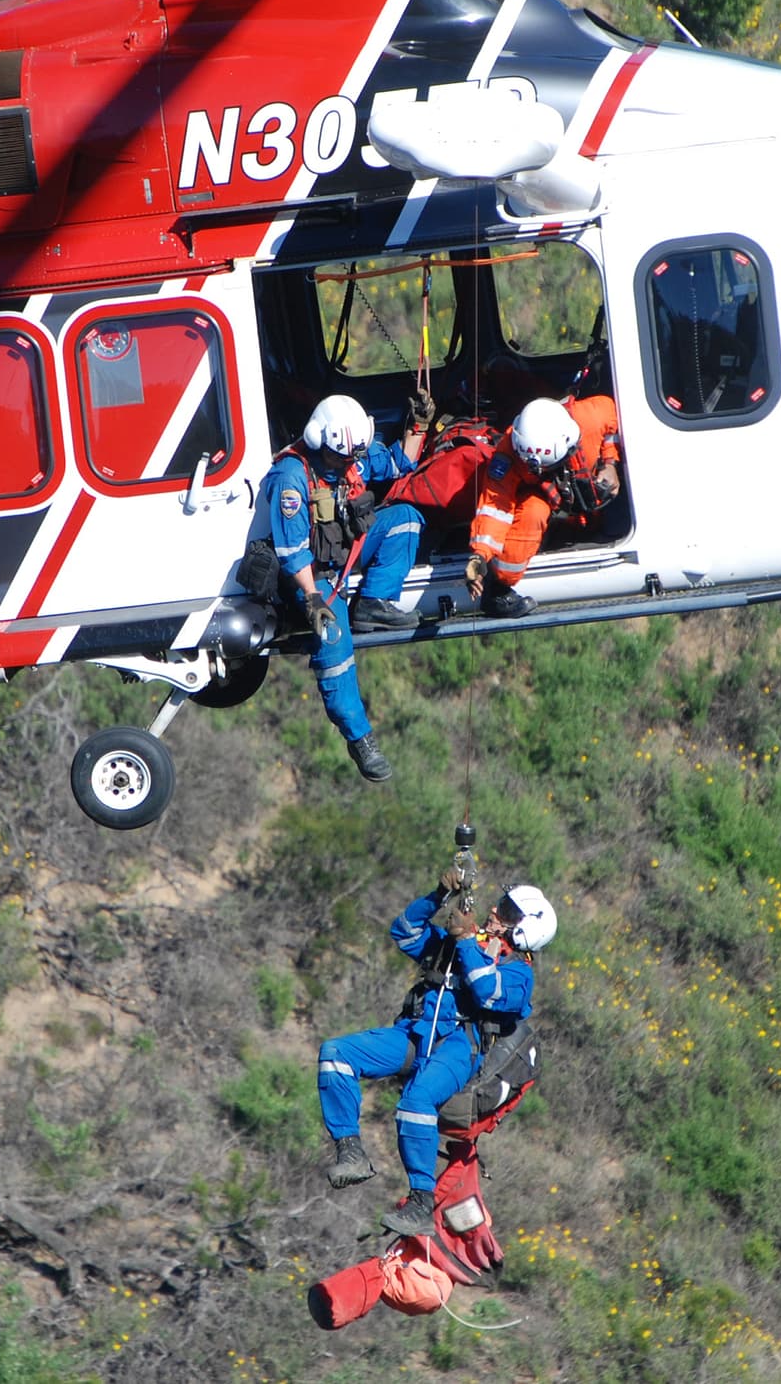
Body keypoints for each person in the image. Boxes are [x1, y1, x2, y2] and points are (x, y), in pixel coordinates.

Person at [318, 872, 556, 1237]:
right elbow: (405, 931)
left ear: (526, 929)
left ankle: (420, 1201)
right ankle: (350, 1150)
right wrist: (440, 895)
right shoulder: (463, 944)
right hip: (414, 1033)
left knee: (416, 1102)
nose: (495, 909)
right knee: (336, 1054)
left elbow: (487, 992)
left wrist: (463, 941)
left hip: (459, 1046)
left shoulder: (518, 974)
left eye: (507, 910)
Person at [261, 391, 431, 782]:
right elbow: (291, 551)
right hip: (313, 577)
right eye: (343, 459)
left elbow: (396, 463)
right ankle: (360, 739)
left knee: (405, 518)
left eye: (354, 457)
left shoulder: (352, 454)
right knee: (334, 649)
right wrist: (313, 598)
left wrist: (417, 426)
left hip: (342, 557)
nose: (350, 465)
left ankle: (373, 603)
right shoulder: (292, 478)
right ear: (322, 443)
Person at [466, 395, 621, 618]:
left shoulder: (591, 416)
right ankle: (499, 589)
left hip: (595, 502)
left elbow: (612, 418)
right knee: (533, 511)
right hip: (547, 502)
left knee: (616, 521)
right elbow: (494, 507)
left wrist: (610, 463)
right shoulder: (508, 454)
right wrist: (479, 556)